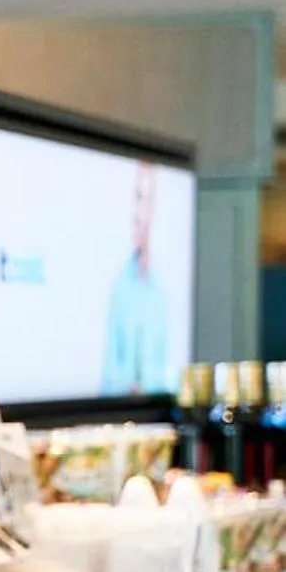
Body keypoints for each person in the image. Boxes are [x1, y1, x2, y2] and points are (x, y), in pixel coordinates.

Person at [101, 161, 170, 396]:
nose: (139, 213)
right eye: (137, 198)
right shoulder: (120, 286)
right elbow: (109, 375)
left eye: (147, 200)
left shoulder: (163, 290)